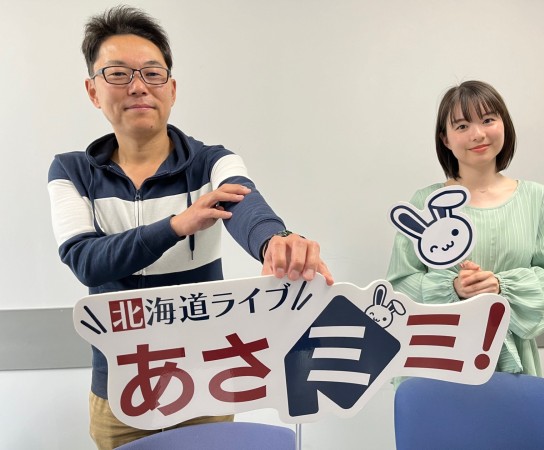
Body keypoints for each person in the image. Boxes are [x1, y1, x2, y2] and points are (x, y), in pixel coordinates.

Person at [47, 6, 333, 449]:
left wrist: (276, 241)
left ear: (172, 88)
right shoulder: (71, 172)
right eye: (118, 74)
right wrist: (176, 226)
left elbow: (246, 205)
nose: (138, 86)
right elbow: (86, 261)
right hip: (119, 386)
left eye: (152, 73)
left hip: (206, 379)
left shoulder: (211, 162)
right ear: (93, 90)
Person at [386, 80, 544, 386]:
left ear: (504, 124)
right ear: (445, 138)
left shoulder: (536, 198)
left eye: (488, 120)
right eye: (462, 126)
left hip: (510, 359)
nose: (477, 134)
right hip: (437, 357)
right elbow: (398, 288)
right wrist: (452, 288)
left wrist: (501, 288)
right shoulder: (424, 202)